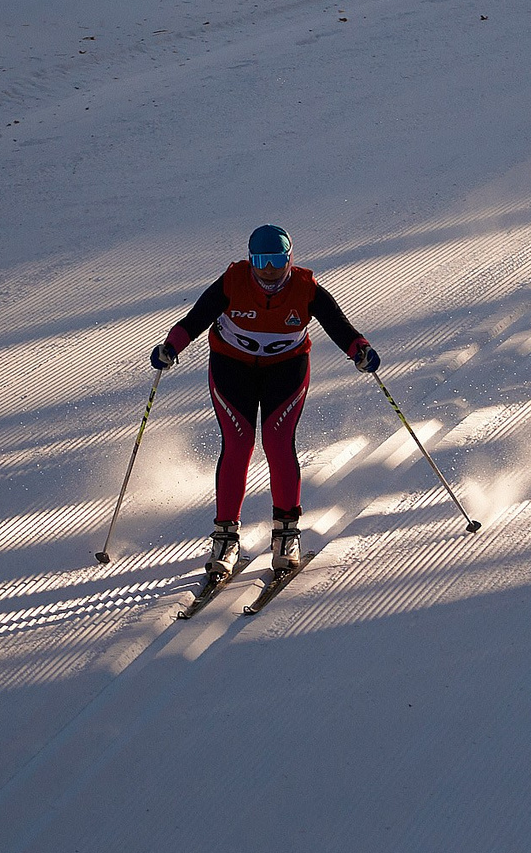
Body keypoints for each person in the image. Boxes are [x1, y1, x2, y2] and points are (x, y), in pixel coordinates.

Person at [153, 224, 379, 595]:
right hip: (231, 368)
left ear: (289, 259)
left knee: (277, 442)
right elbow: (195, 319)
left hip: (286, 370)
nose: (269, 270)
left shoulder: (306, 289)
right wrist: (171, 347)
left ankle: (286, 533)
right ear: (250, 259)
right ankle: (225, 537)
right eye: (261, 261)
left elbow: (338, 325)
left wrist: (360, 350)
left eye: (277, 261)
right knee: (238, 446)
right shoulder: (232, 281)